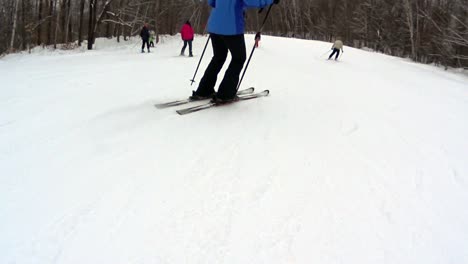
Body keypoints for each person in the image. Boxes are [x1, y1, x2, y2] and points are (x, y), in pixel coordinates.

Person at [190, 0, 280, 103]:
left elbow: (211, 2)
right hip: (231, 27)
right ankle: (225, 94)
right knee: (239, 58)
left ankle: (204, 90)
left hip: (215, 26)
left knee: (219, 57)